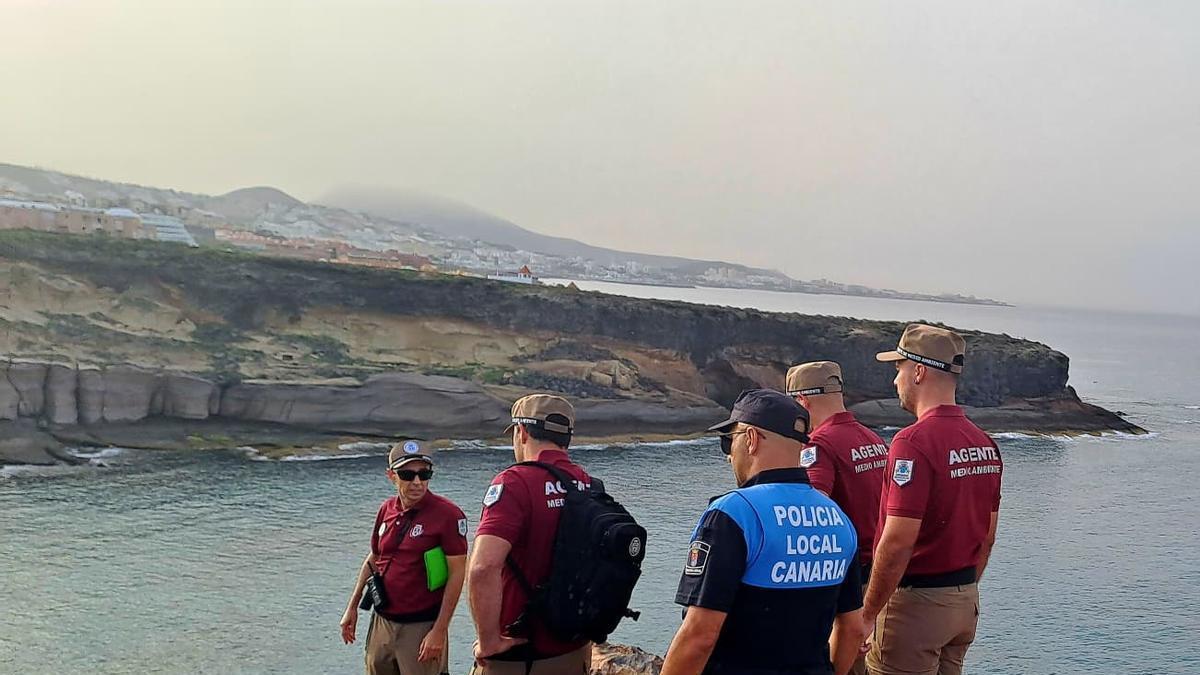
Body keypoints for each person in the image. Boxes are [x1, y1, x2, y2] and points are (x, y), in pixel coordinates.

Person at [662, 389, 865, 675]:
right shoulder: (837, 517)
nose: (729, 456)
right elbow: (852, 629)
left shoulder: (734, 513)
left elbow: (700, 635)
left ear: (752, 439)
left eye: (728, 441)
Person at [864, 324, 1003, 675]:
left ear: (919, 372)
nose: (895, 381)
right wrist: (962, 589)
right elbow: (987, 535)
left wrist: (867, 615)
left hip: (916, 606)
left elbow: (896, 542)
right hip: (963, 600)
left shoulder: (912, 443)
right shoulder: (984, 443)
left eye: (899, 369)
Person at [468, 394, 593, 674]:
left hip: (522, 654)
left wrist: (489, 642)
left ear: (522, 432)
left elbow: (483, 567)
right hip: (575, 647)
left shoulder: (514, 483)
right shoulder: (586, 483)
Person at [787, 361, 887, 675]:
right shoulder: (872, 439)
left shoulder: (819, 445)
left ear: (802, 401)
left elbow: (814, 514)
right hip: (879, 576)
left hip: (845, 581)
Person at [341, 441, 469, 675]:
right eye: (407, 474)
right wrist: (352, 607)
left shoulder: (448, 515)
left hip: (420, 626)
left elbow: (458, 572)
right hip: (382, 621)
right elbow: (375, 558)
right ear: (392, 476)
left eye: (424, 474)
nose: (417, 482)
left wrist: (439, 631)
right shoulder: (386, 510)